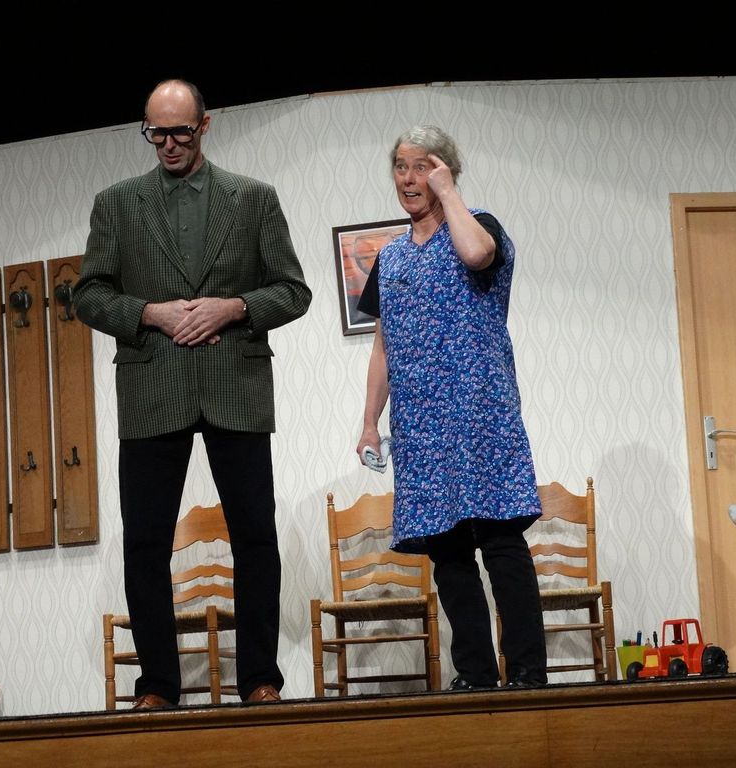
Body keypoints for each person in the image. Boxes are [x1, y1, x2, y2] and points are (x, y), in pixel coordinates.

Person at [73, 79, 311, 709]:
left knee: (255, 537)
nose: (168, 144)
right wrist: (149, 313)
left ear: (205, 125)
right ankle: (157, 685)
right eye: (156, 133)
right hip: (153, 389)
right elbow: (88, 295)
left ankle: (259, 679)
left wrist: (233, 307)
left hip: (236, 385)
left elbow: (294, 291)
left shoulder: (253, 199)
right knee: (145, 544)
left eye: (180, 131)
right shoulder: (116, 204)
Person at [356, 125, 547, 689]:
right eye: (401, 166)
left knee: (501, 540)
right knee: (448, 552)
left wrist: (449, 193)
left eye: (423, 166)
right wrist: (368, 422)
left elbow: (477, 254)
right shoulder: (391, 258)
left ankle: (528, 671)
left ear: (446, 171)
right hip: (420, 426)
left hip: (481, 413)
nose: (408, 178)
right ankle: (476, 673)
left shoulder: (479, 225)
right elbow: (383, 345)